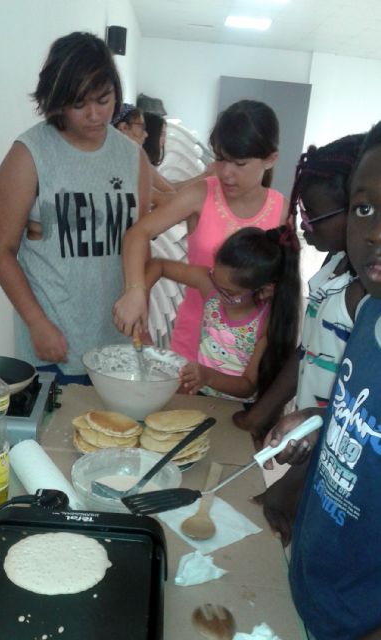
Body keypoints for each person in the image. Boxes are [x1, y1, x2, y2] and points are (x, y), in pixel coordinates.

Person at [268, 121, 381, 640]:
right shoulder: (368, 323)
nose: (375, 231)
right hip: (313, 581)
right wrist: (319, 418)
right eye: (365, 209)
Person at [0, 32, 151, 385]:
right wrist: (36, 322)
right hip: (54, 346)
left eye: (104, 100)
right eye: (79, 104)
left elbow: (140, 241)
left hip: (117, 345)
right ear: (56, 100)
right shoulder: (29, 155)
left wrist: (141, 301)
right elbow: (1, 250)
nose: (94, 115)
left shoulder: (133, 157)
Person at [238, 134, 366, 545]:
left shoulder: (366, 292)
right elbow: (307, 352)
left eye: (313, 217)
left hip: (332, 458)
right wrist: (260, 414)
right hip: (306, 439)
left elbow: (349, 417)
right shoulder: (333, 265)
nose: (304, 227)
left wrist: (287, 489)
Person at [112, 100, 288, 358]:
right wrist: (135, 290)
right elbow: (138, 233)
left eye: (239, 164)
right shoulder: (201, 195)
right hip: (192, 344)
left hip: (249, 353)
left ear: (270, 159)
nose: (226, 173)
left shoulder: (282, 211)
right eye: (221, 159)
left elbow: (285, 289)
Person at [145, 226, 300, 400]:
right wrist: (137, 302)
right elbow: (158, 265)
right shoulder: (211, 286)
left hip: (236, 409)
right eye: (215, 280)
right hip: (202, 397)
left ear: (265, 290)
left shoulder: (267, 324)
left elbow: (248, 385)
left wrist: (208, 376)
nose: (217, 295)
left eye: (230, 293)